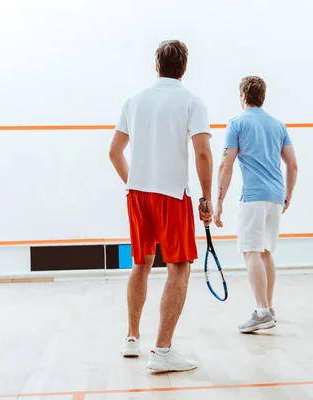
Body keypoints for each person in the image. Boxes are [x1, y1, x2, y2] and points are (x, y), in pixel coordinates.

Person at [109, 40, 213, 371]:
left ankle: (131, 338)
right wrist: (207, 196)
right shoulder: (192, 102)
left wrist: (134, 181)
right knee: (179, 268)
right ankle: (163, 351)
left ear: (156, 65)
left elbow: (114, 152)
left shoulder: (133, 101)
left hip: (137, 195)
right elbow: (202, 153)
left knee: (141, 263)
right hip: (172, 196)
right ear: (184, 68)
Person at [214, 76, 298, 333]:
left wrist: (218, 203)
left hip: (253, 196)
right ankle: (268, 309)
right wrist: (288, 195)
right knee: (265, 252)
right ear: (263, 96)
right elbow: (292, 164)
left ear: (242, 96)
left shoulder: (236, 123)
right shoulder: (278, 124)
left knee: (251, 251)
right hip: (275, 195)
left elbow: (226, 165)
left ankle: (262, 311)